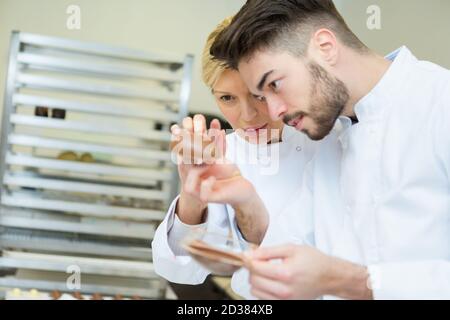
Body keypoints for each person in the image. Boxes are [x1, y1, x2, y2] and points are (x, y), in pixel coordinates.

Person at [206, 0, 450, 299]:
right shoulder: (329, 145)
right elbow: (274, 265)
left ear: (325, 46)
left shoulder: (441, 103)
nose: (274, 110)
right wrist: (238, 201)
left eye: (275, 84)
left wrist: (350, 281)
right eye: (262, 96)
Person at [151, 16, 317, 299]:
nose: (247, 116)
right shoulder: (222, 154)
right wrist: (192, 194)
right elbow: (181, 270)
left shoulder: (327, 139)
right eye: (227, 98)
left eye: (259, 96)